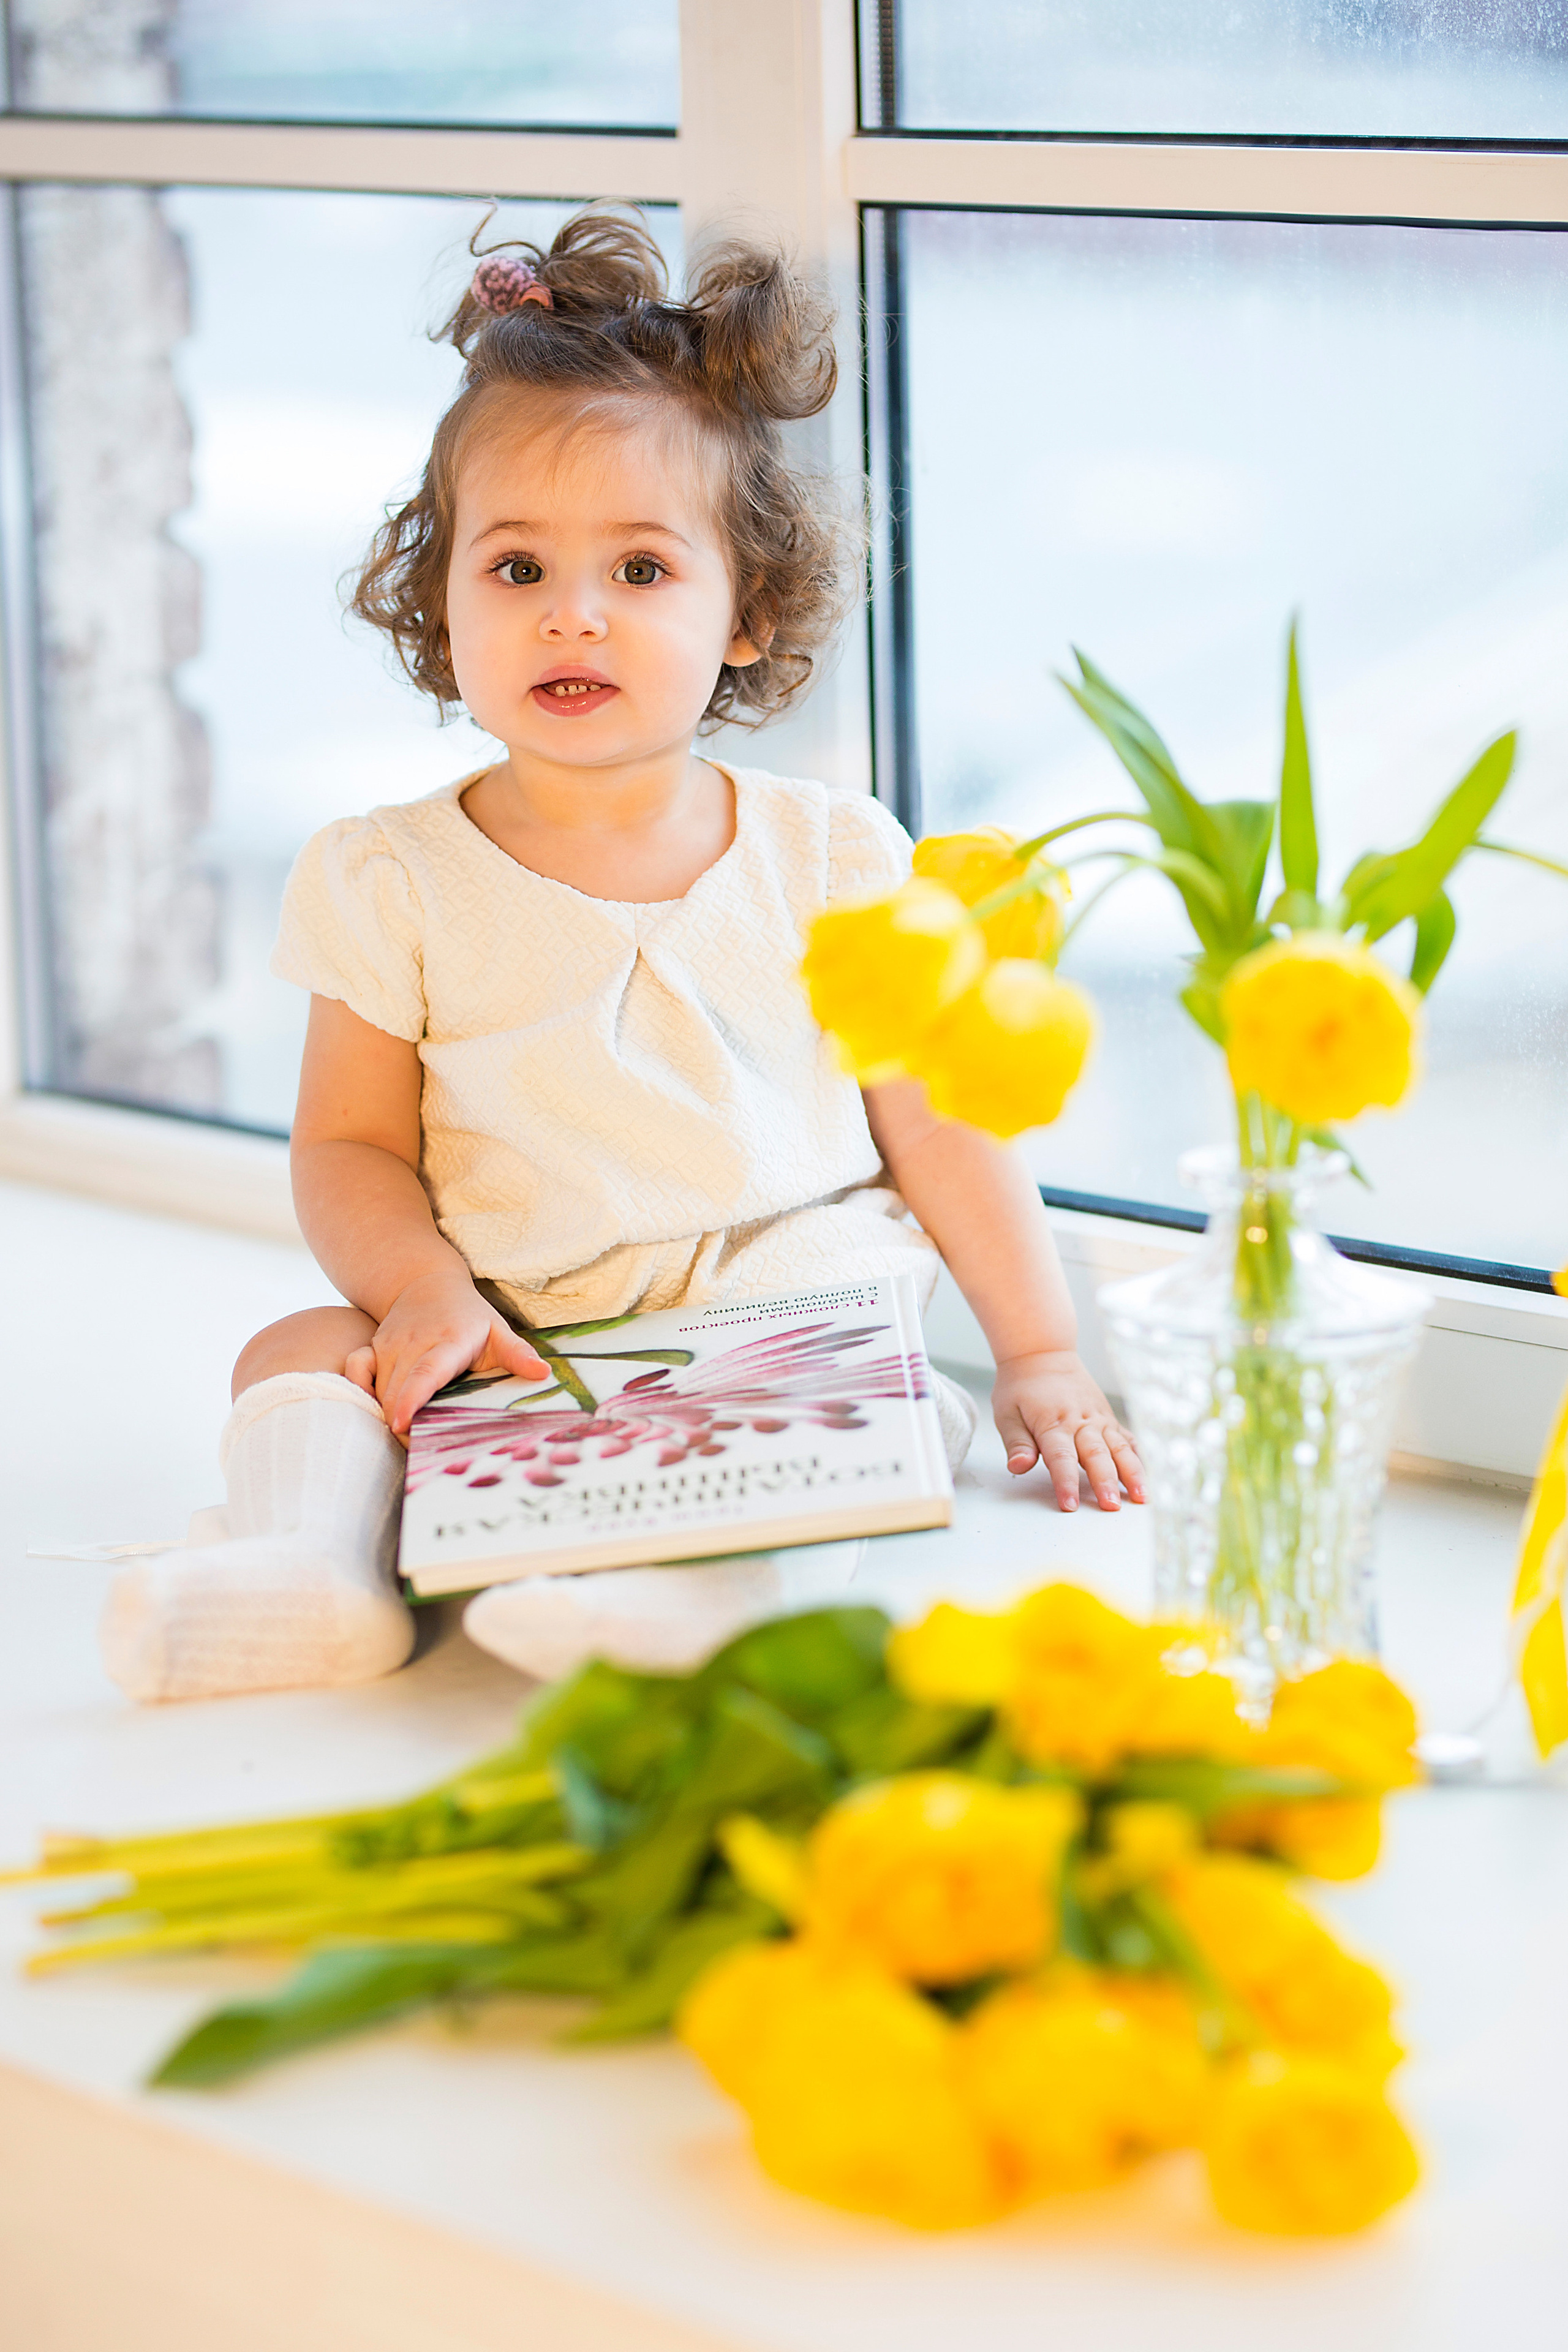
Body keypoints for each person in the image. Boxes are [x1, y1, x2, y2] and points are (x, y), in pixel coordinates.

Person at [100, 206, 1143, 1705]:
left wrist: (1037, 1346)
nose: (570, 611)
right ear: (440, 599)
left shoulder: (834, 855)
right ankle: (314, 1575)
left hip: (774, 1302)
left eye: (641, 572)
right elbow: (344, 1147)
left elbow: (938, 1126)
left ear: (747, 613)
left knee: (886, 1391)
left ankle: (700, 1607)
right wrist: (414, 1293)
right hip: (511, 1323)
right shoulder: (387, 874)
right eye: (515, 569)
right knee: (296, 1341)